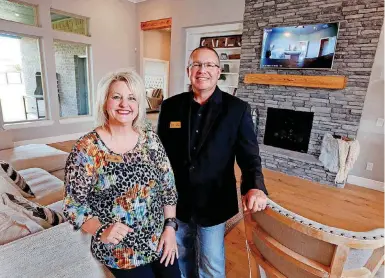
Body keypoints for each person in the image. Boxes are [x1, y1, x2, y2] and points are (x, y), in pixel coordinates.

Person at [157, 46, 268, 278]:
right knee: (182, 253)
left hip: (214, 200)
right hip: (177, 200)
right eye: (196, 64)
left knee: (211, 261)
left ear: (219, 72)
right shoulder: (170, 107)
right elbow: (160, 155)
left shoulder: (237, 109)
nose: (202, 70)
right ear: (189, 71)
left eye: (209, 65)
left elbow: (249, 156)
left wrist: (255, 186)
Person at [63, 69, 181, 278]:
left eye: (131, 98)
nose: (124, 104)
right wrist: (101, 230)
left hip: (159, 240)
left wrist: (170, 227)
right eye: (116, 97)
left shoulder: (150, 140)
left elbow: (168, 188)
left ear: (138, 104)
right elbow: (73, 207)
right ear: (105, 102)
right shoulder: (87, 149)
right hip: (121, 253)